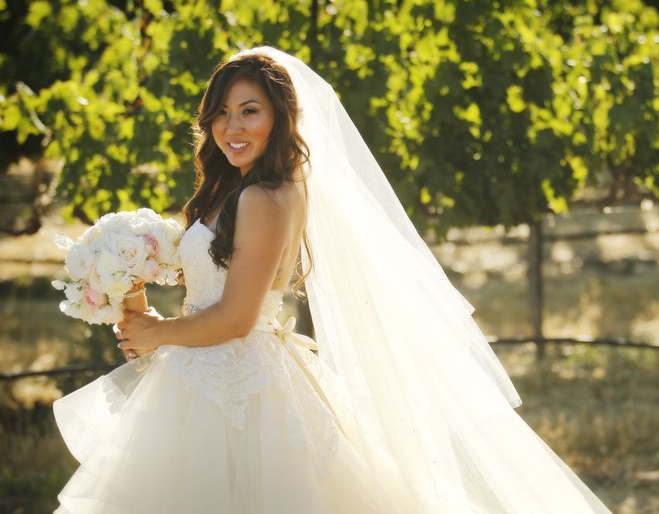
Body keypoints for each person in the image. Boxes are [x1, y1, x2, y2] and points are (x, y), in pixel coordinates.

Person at [53, 47, 611, 513]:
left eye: (250, 111)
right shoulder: (238, 189)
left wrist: (159, 334)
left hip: (234, 386)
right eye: (221, 114)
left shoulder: (265, 198)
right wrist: (132, 274)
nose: (232, 127)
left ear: (280, 118)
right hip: (206, 372)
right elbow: (212, 288)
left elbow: (237, 317)